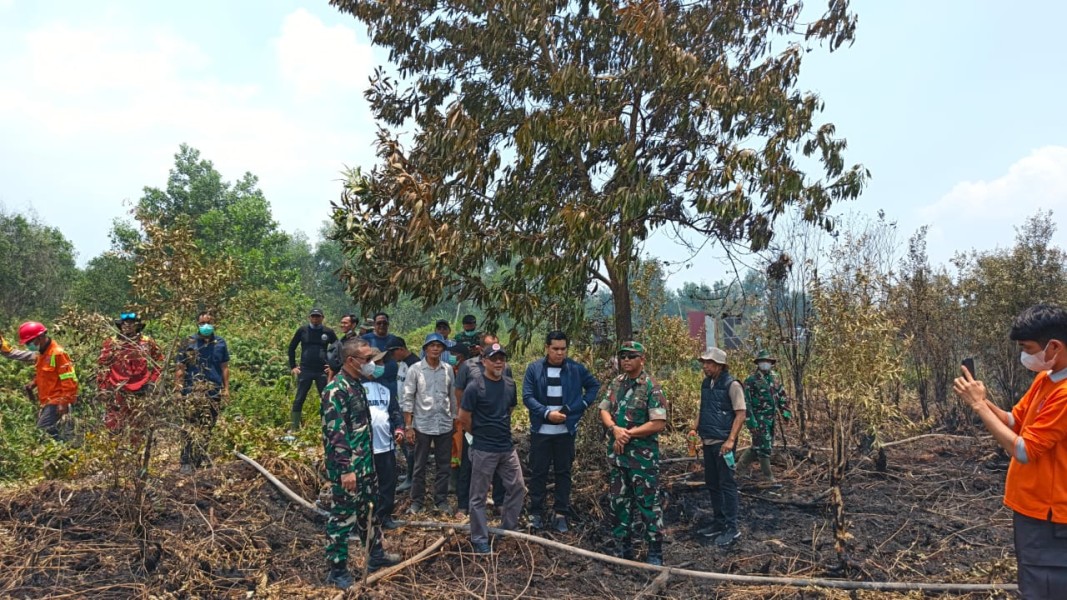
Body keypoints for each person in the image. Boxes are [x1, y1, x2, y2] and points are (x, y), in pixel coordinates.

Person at [954, 304, 1067, 598]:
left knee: (1045, 589)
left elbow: (1025, 449)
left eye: (1028, 348)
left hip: (1051, 515)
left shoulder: (1065, 394)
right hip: (1033, 507)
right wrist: (981, 399)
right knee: (1033, 580)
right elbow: (1015, 421)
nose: (1025, 356)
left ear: (1054, 346)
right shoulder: (1048, 378)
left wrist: (979, 406)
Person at [321, 339, 400, 589]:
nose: (371, 364)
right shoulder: (336, 390)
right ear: (351, 361)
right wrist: (346, 470)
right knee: (342, 518)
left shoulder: (357, 386)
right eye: (366, 359)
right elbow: (336, 433)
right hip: (349, 469)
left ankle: (375, 554)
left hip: (365, 464)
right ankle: (337, 569)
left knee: (369, 511)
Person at [522, 330, 601, 532]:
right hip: (541, 431)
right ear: (547, 348)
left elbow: (593, 386)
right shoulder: (535, 369)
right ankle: (536, 513)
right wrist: (546, 413)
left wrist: (581, 404)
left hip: (565, 432)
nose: (559, 353)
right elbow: (528, 397)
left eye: (563, 349)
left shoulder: (575, 369)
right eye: (555, 349)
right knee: (538, 472)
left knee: (563, 472)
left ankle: (560, 513)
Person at [598, 341, 668, 565]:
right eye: (623, 356)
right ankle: (622, 547)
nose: (626, 360)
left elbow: (658, 423)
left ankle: (655, 551)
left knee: (648, 504)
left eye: (631, 356)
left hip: (642, 459)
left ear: (642, 359)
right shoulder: (617, 383)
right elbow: (603, 410)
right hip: (618, 457)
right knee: (619, 502)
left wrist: (628, 434)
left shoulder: (651, 387)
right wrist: (614, 429)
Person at [458, 341, 525, 553]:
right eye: (494, 359)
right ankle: (479, 538)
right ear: (484, 361)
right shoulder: (474, 386)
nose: (498, 362)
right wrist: (477, 434)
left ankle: (508, 528)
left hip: (506, 446)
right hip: (483, 448)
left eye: (501, 359)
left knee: (518, 487)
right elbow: (463, 417)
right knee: (478, 495)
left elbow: (509, 408)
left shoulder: (509, 384)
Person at [689, 347, 747, 547]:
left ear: (721, 365)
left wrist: (731, 441)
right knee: (712, 484)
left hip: (723, 443)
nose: (706, 366)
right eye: (704, 363)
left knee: (727, 485)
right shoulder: (707, 384)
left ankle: (732, 528)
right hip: (708, 441)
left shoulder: (732, 385)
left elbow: (740, 414)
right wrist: (695, 427)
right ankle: (718, 521)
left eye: (710, 363)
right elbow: (704, 408)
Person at [454, 334, 510, 516]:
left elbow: (508, 398)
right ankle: (463, 504)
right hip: (473, 425)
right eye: (489, 347)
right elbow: (459, 393)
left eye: (497, 346)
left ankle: (499, 502)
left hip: (496, 428)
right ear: (480, 349)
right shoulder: (468, 366)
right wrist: (470, 426)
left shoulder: (504, 368)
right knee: (467, 466)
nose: (495, 353)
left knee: (499, 467)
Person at [401, 333, 455, 514]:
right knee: (419, 465)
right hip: (422, 424)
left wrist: (454, 418)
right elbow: (408, 398)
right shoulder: (415, 369)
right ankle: (417, 501)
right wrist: (408, 426)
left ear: (442, 349)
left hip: (444, 423)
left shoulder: (447, 369)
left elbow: (452, 396)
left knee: (444, 465)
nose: (435, 348)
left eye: (439, 346)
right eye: (431, 345)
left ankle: (441, 501)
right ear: (425, 349)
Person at [355, 341, 406, 531]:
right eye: (377, 363)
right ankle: (362, 522)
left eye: (382, 363)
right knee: (363, 486)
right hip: (364, 448)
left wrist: (399, 429)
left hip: (385, 446)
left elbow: (394, 413)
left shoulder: (385, 389)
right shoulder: (355, 388)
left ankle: (384, 516)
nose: (381, 367)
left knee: (388, 482)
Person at [175, 312, 230, 473]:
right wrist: (178, 390)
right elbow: (180, 368)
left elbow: (224, 367)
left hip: (213, 391)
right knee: (189, 425)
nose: (205, 326)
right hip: (191, 391)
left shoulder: (220, 343)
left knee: (208, 425)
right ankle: (185, 460)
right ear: (197, 324)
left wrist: (226, 389)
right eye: (202, 323)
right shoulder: (188, 343)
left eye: (209, 322)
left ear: (214, 323)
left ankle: (200, 457)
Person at [97, 311, 164, 433]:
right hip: (117, 389)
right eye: (124, 323)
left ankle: (137, 450)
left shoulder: (146, 342)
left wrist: (153, 382)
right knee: (114, 426)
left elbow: (159, 363)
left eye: (131, 323)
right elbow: (102, 366)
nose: (127, 326)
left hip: (140, 389)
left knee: (138, 427)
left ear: (137, 325)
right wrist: (103, 388)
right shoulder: (111, 342)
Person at [18, 321, 78, 440]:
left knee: (43, 433)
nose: (28, 346)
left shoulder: (58, 354)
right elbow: (45, 375)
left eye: (29, 342)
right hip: (46, 401)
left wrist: (63, 402)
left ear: (40, 337)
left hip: (56, 401)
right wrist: (33, 384)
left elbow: (69, 380)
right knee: (53, 436)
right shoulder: (42, 354)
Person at [738, 349, 791, 482]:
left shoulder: (775, 378)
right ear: (758, 363)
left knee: (758, 446)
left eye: (768, 361)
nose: (765, 364)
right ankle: (768, 477)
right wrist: (751, 421)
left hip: (771, 419)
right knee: (765, 446)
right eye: (763, 361)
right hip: (758, 419)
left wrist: (786, 413)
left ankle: (739, 468)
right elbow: (746, 402)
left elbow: (782, 396)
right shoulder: (751, 381)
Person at [287, 308, 338, 431]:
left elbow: (337, 348)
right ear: (309, 317)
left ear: (322, 318)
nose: (315, 319)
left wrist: (332, 366)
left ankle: (329, 427)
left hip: (322, 371)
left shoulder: (328, 332)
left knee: (327, 398)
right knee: (299, 398)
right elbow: (291, 348)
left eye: (318, 316)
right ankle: (294, 427)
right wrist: (293, 366)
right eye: (313, 316)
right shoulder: (302, 330)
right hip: (305, 370)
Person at [389, 336, 421, 494]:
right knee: (405, 445)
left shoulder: (414, 364)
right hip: (402, 407)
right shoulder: (402, 364)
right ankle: (410, 473)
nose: (392, 357)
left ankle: (412, 478)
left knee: (410, 445)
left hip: (411, 411)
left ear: (401, 349)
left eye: (393, 353)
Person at [326, 313, 359, 378]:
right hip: (339, 377)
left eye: (345, 323)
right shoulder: (340, 341)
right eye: (341, 323)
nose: (342, 325)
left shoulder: (358, 342)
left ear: (353, 325)